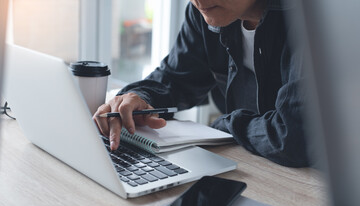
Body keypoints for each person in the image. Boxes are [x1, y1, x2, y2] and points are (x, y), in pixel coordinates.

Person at [94, 0, 310, 168]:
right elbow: (175, 78)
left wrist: (226, 126)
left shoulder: (315, 19)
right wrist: (137, 98)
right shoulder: (208, 11)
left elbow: (294, 137)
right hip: (247, 165)